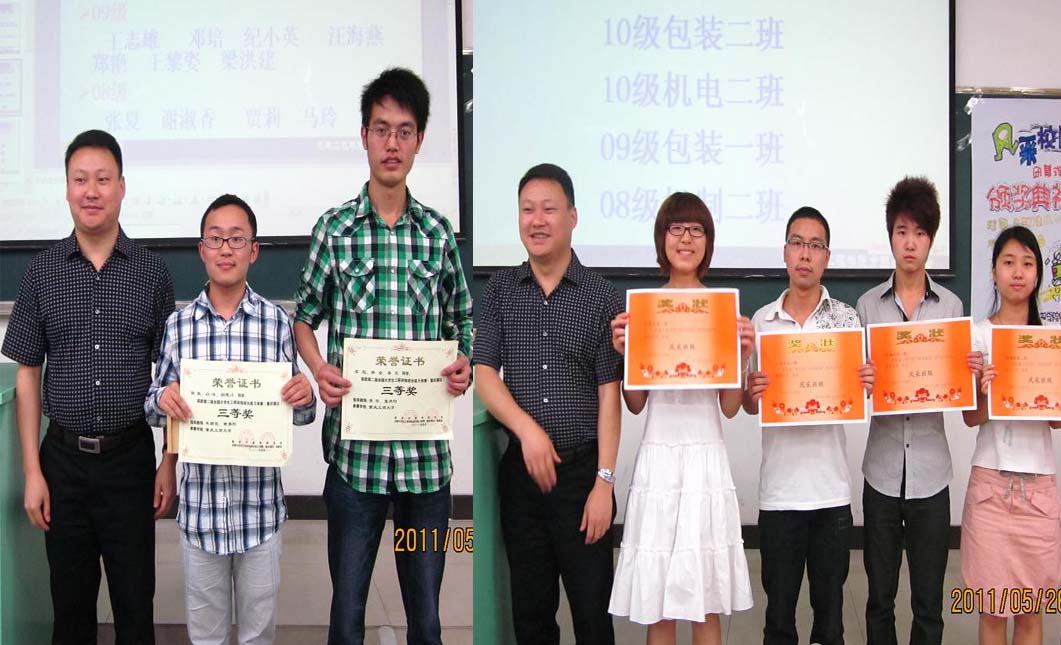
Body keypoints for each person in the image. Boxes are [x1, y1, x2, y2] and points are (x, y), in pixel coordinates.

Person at [293, 67, 473, 645]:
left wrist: (465, 361)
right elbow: (304, 318)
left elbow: (463, 319)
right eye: (381, 129)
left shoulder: (438, 234)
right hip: (355, 462)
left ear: (420, 140)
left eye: (404, 131)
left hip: (425, 465)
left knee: (427, 618)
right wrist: (319, 367)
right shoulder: (334, 230)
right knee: (347, 616)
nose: (392, 143)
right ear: (364, 136)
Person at [1, 129, 176, 644]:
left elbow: (173, 377)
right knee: (71, 612)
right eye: (81, 180)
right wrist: (33, 472)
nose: (91, 191)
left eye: (103, 179)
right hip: (63, 466)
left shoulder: (151, 273)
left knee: (135, 610)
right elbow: (28, 371)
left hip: (130, 463)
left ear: (122, 186)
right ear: (66, 188)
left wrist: (168, 462)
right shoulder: (42, 272)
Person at [144, 194, 317, 644]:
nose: (226, 249)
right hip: (200, 511)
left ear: (253, 251)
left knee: (258, 634)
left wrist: (304, 395)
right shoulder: (179, 326)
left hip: (259, 512)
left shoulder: (277, 323)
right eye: (215, 239)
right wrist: (164, 398)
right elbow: (153, 405)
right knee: (206, 636)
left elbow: (300, 411)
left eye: (237, 239)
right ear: (201, 250)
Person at [474, 163, 622, 644]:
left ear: (572, 217)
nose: (536, 221)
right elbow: (484, 373)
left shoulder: (602, 297)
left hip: (582, 479)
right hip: (522, 477)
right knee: (532, 618)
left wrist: (604, 483)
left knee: (593, 618)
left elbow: (610, 395)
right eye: (527, 210)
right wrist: (528, 431)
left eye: (549, 209)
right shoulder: (500, 291)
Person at [607, 192, 755, 645]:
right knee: (660, 607)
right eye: (677, 229)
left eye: (696, 230)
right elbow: (635, 403)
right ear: (662, 239)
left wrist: (742, 358)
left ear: (708, 242)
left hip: (705, 460)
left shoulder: (723, 310)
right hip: (659, 460)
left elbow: (730, 407)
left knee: (705, 602)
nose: (686, 239)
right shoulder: (645, 310)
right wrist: (626, 355)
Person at [742, 207, 875, 645]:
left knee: (830, 622)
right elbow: (748, 406)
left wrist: (867, 384)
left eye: (815, 246)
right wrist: (751, 392)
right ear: (785, 252)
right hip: (779, 494)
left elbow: (858, 396)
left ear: (827, 257)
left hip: (830, 494)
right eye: (797, 243)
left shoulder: (847, 320)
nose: (805, 254)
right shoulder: (761, 321)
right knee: (778, 619)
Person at [855, 176, 973, 645]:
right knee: (879, 600)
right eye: (902, 231)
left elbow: (960, 393)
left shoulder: (952, 307)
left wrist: (968, 374)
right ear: (890, 236)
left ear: (931, 239)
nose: (910, 243)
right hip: (881, 472)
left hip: (932, 474)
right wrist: (861, 380)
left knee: (928, 604)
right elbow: (853, 387)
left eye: (920, 233)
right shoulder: (866, 306)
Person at [960, 225, 1061, 645]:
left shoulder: (1051, 342)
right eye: (1008, 262)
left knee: (1031, 612)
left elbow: (1055, 421)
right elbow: (970, 418)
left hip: (1039, 491)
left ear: (1037, 274)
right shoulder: (977, 336)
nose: (1017, 272)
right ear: (994, 271)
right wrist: (984, 390)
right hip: (990, 489)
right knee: (992, 612)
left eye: (1027, 263)